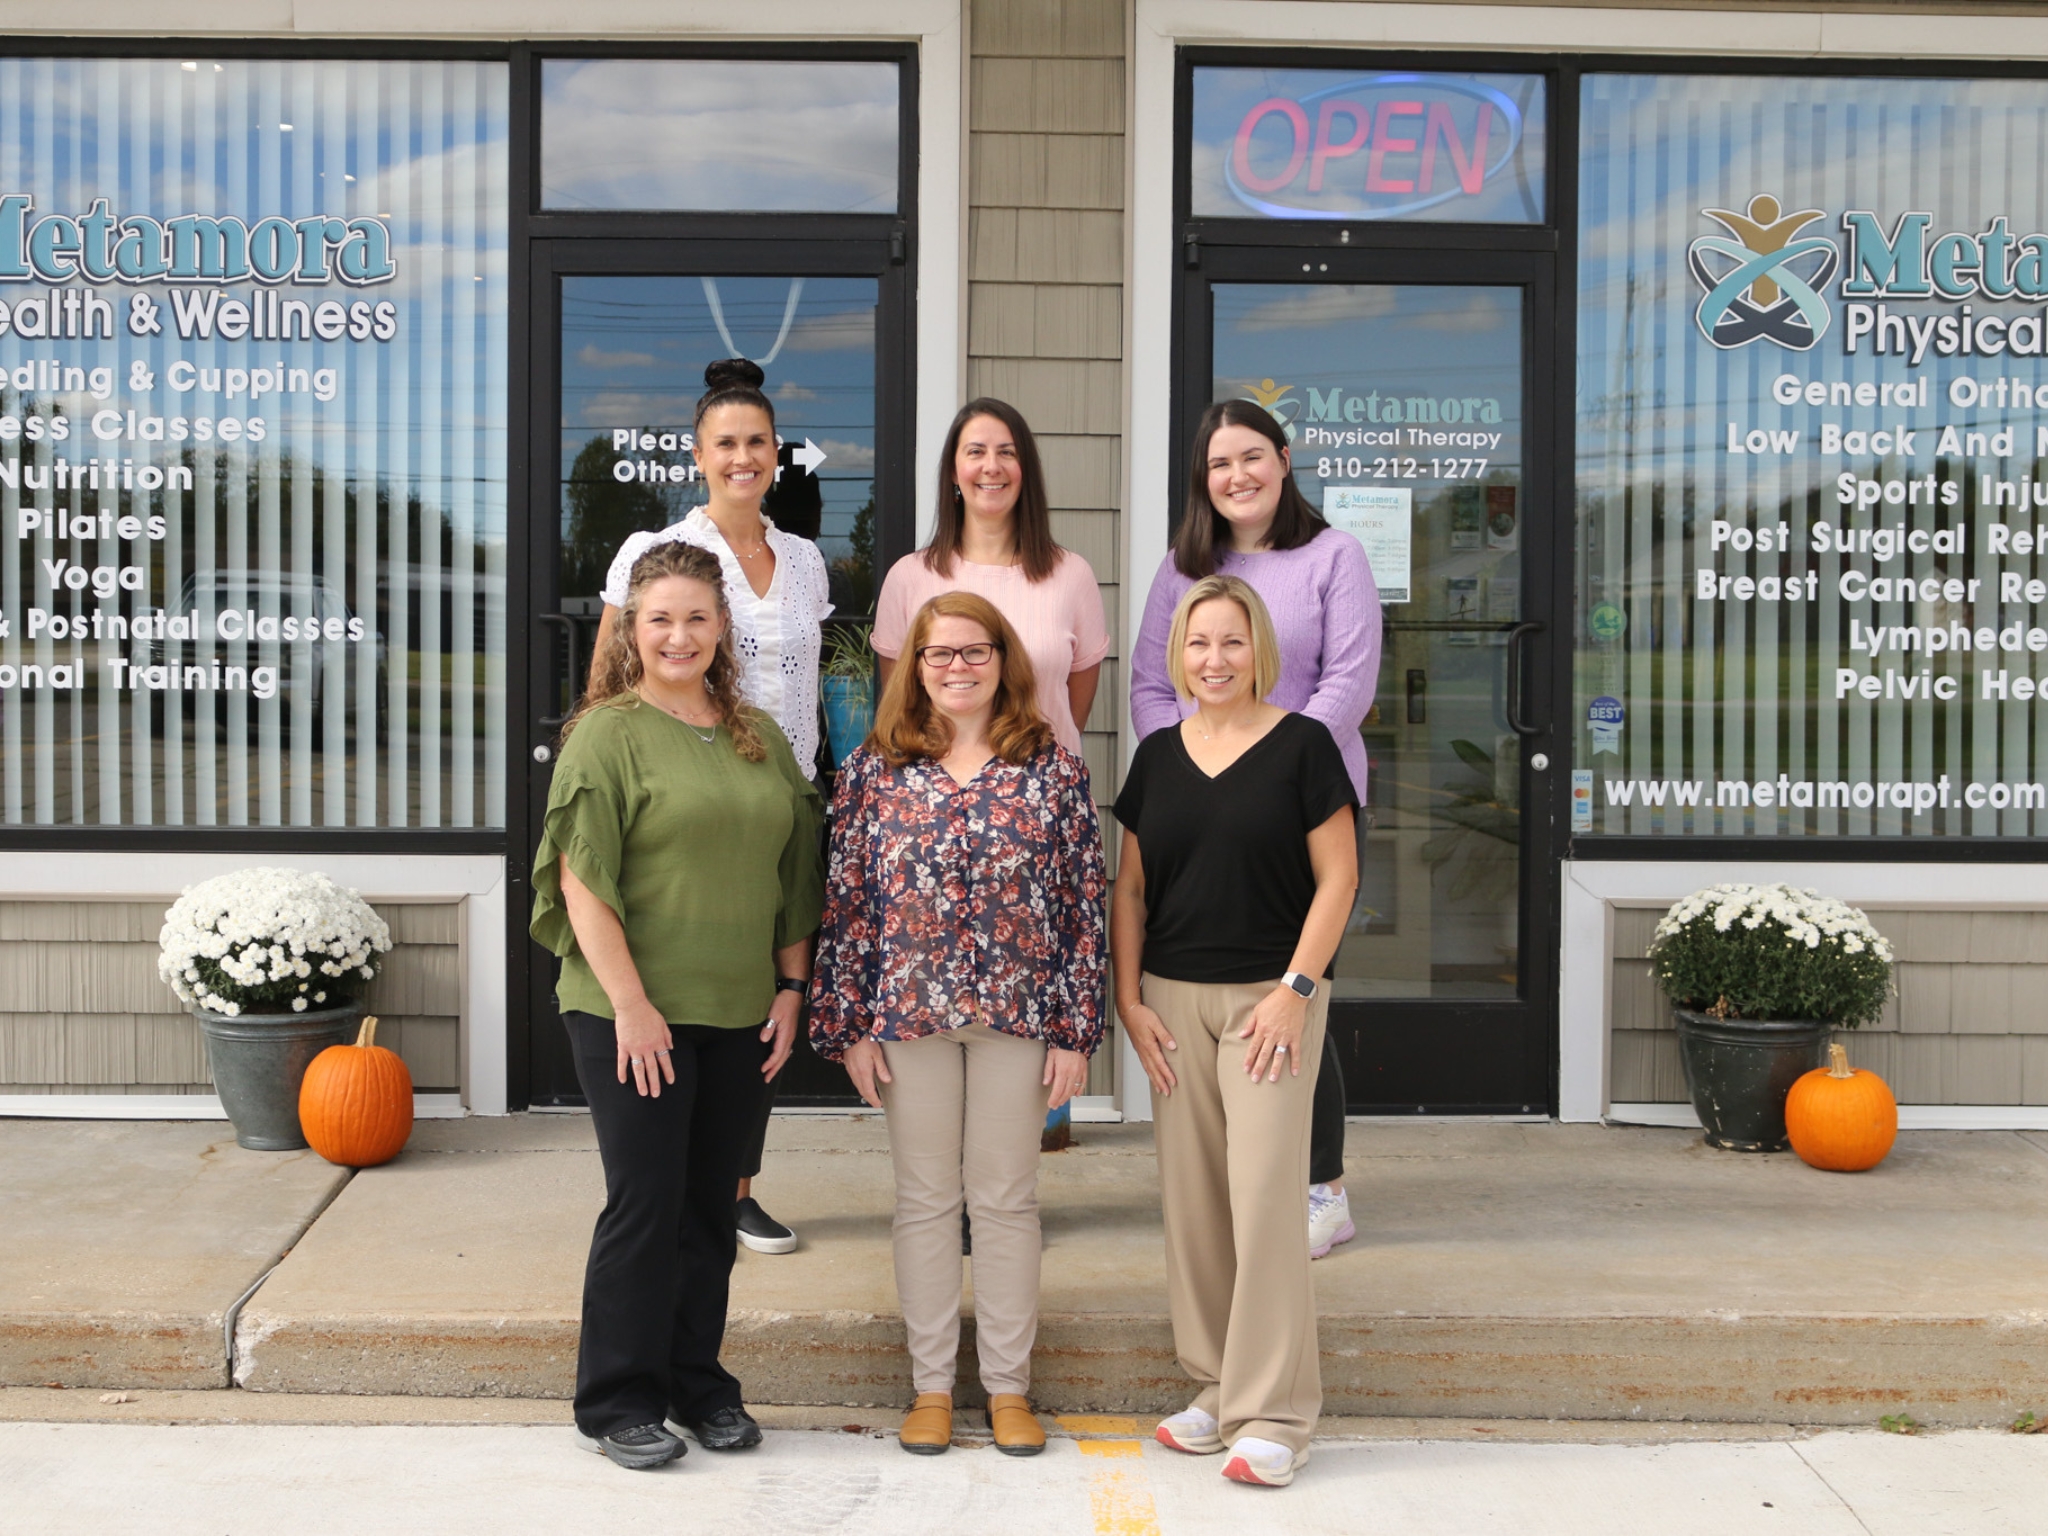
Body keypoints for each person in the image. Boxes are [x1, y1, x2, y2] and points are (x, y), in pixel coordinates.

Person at [532, 540, 824, 1471]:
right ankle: (618, 1399)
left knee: (709, 1207)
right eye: (660, 617)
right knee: (647, 1204)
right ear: (633, 628)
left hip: (740, 1009)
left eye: (697, 616)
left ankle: (699, 1386)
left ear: (722, 627)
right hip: (630, 1012)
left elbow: (792, 878)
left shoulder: (757, 735)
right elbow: (583, 882)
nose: (679, 634)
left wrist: (790, 988)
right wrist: (631, 1003)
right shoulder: (606, 732)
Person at [810, 592, 1107, 1458]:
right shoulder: (876, 768)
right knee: (926, 1201)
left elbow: (1083, 900)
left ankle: (1010, 1389)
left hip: (1021, 1012)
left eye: (974, 652)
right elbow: (849, 904)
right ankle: (932, 1387)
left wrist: (1075, 1028)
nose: (957, 669)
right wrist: (851, 1023)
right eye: (939, 656)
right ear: (916, 668)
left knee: (1008, 1201)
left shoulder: (1048, 764)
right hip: (909, 1012)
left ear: (1003, 660)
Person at [1112, 575, 1358, 1489]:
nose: (1215, 660)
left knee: (1263, 1203)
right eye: (1199, 644)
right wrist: (1129, 1000)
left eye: (1232, 642)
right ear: (1178, 655)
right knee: (1196, 1208)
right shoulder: (1159, 756)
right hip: (1173, 1001)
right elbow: (1130, 889)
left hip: (1271, 1001)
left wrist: (1298, 989)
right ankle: (1216, 1389)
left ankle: (1278, 1414)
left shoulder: (1303, 746)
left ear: (1261, 650)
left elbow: (1338, 879)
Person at [1128, 398, 1381, 1261]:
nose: (1236, 477)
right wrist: (1192, 770)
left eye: (1250, 458)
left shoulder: (1333, 555)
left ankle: (1322, 1187)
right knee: (1227, 998)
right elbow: (1152, 685)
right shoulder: (1183, 567)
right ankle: (1242, 1174)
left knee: (1297, 995)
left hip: (1309, 802)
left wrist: (1274, 767)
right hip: (1204, 807)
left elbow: (1348, 680)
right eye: (1217, 465)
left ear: (1282, 459)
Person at [593, 356, 833, 1259]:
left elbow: (809, 680)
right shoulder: (657, 552)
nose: (743, 457)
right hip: (688, 792)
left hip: (788, 794)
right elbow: (612, 678)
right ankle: (676, 1177)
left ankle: (736, 1187)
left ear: (777, 455)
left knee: (770, 990)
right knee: (693, 979)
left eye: (758, 443)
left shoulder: (805, 561)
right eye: (726, 443)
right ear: (699, 455)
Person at [873, 398, 1109, 754]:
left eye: (1007, 453)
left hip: (1044, 794)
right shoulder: (908, 578)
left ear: (1025, 468)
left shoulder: (1072, 576)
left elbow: (1072, 714)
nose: (992, 466)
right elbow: (902, 707)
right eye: (976, 452)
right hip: (938, 800)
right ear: (953, 471)